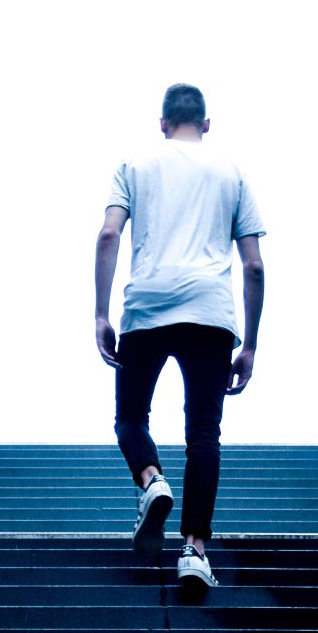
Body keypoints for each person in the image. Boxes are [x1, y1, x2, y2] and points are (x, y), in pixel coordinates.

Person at [93, 83, 266, 589]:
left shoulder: (135, 166)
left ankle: (151, 481)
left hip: (146, 306)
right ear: (206, 124)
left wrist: (102, 315)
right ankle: (194, 552)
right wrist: (250, 344)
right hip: (211, 314)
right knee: (203, 435)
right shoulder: (232, 174)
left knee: (129, 418)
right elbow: (253, 265)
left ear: (163, 123)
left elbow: (108, 235)